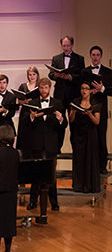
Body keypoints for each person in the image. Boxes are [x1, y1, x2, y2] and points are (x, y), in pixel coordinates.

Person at [24, 77, 67, 211]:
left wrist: (61, 119)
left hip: (51, 144)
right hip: (36, 144)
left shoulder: (58, 103)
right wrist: (32, 117)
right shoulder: (33, 103)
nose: (43, 90)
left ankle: (53, 202)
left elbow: (64, 125)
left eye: (46, 88)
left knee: (51, 174)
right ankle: (33, 201)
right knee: (35, 173)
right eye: (41, 88)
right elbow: (25, 124)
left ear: (50, 88)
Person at [48, 36, 85, 151]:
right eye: (64, 45)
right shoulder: (56, 58)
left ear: (72, 45)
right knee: (58, 121)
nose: (66, 48)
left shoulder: (79, 59)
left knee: (74, 123)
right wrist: (56, 75)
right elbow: (50, 74)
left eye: (68, 45)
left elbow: (82, 76)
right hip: (60, 95)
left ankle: (76, 149)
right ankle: (57, 148)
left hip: (73, 95)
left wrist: (70, 77)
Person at [80, 46, 112, 174]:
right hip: (87, 107)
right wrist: (89, 91)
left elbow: (111, 91)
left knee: (101, 138)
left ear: (101, 56)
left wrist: (102, 89)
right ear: (90, 56)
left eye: (98, 55)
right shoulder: (84, 71)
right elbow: (80, 88)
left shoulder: (108, 71)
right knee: (88, 138)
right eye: (93, 54)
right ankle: (88, 166)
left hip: (101, 109)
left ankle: (102, 165)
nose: (95, 57)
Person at [69, 82, 101, 193]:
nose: (84, 90)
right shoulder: (75, 102)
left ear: (91, 91)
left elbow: (97, 121)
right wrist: (72, 112)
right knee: (79, 159)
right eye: (82, 88)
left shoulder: (94, 103)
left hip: (91, 133)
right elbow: (71, 120)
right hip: (78, 133)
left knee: (90, 158)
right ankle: (78, 185)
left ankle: (90, 186)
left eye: (87, 88)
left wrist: (89, 114)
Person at [16, 66, 40, 149]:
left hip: (36, 113)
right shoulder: (23, 86)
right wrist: (24, 101)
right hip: (25, 113)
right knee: (24, 136)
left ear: (37, 75)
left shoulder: (40, 87)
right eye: (30, 74)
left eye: (34, 74)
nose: (32, 76)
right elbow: (19, 101)